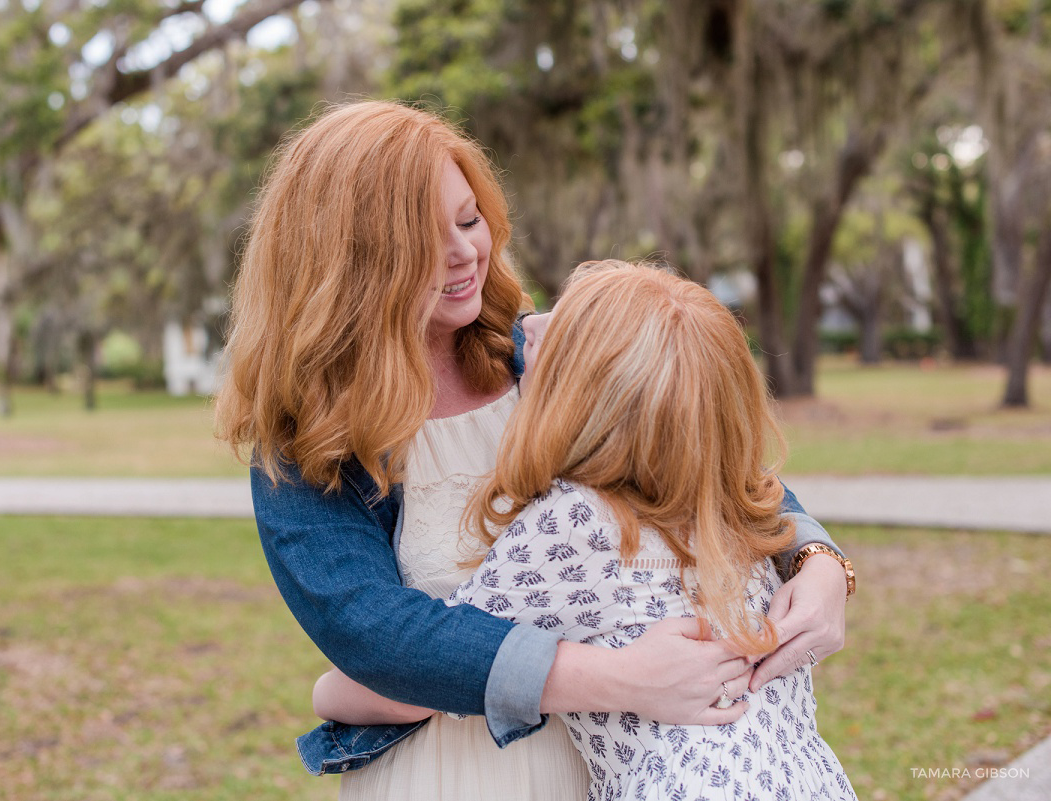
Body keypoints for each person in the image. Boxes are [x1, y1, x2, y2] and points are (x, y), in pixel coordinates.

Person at [215, 100, 854, 799]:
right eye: (426, 239)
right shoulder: (307, 444)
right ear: (351, 262)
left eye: (469, 219)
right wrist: (622, 679)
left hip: (620, 772)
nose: (465, 253)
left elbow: (704, 461)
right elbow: (378, 636)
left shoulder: (551, 356)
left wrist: (818, 560)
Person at [443, 261, 855, 800]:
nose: (529, 326)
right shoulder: (733, 504)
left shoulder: (575, 523)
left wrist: (332, 693)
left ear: (587, 400)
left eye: (557, 337)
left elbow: (445, 666)